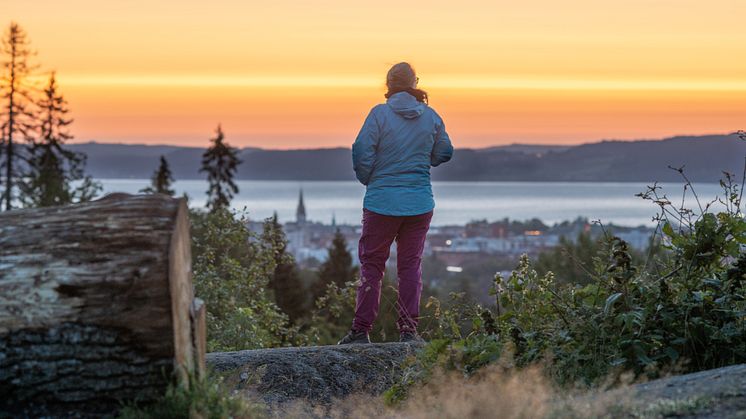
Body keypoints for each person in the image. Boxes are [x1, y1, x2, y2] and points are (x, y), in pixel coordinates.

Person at [339, 62, 454, 344]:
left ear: (389, 86)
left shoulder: (378, 114)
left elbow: (361, 151)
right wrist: (421, 159)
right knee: (410, 267)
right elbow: (445, 152)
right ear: (415, 84)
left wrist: (371, 179)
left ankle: (360, 330)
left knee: (372, 266)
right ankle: (408, 331)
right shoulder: (431, 116)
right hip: (419, 202)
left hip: (381, 203)